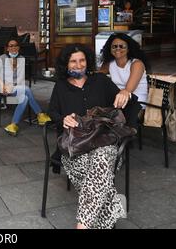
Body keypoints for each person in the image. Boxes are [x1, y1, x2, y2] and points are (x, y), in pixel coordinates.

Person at [48, 44, 137, 229]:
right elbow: (52, 113)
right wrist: (63, 119)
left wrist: (124, 92)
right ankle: (105, 214)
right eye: (73, 61)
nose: (78, 65)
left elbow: (130, 104)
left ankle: (82, 225)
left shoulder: (100, 81)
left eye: (82, 60)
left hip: (104, 142)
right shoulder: (61, 86)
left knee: (102, 155)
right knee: (100, 171)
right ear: (66, 64)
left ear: (87, 61)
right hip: (76, 148)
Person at [0, 38, 51, 136]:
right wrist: (2, 86)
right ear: (7, 48)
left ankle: (13, 125)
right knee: (27, 90)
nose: (13, 47)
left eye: (16, 45)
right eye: (11, 46)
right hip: (2, 87)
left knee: (24, 98)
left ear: (19, 47)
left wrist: (15, 86)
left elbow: (20, 78)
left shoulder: (21, 59)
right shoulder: (2, 58)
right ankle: (40, 114)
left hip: (15, 87)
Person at [99, 32, 149, 127]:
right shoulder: (110, 63)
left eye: (122, 46)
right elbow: (98, 77)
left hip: (137, 102)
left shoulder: (136, 64)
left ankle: (121, 136)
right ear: (110, 49)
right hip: (118, 101)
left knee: (107, 112)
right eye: (114, 46)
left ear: (128, 48)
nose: (118, 49)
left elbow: (128, 90)